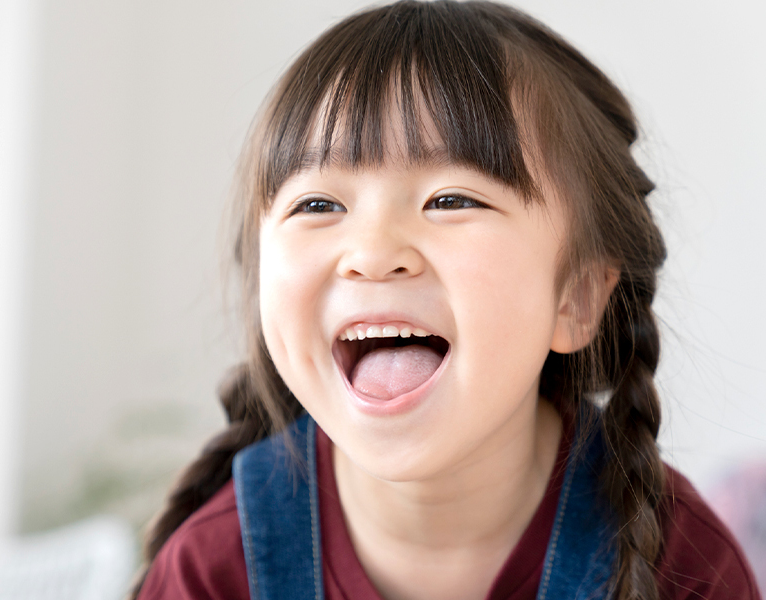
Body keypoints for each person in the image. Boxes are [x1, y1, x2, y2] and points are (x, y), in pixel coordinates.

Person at [133, 1, 761, 599]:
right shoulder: (212, 574)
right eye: (318, 205)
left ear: (576, 296)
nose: (374, 252)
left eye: (452, 200)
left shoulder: (684, 571)